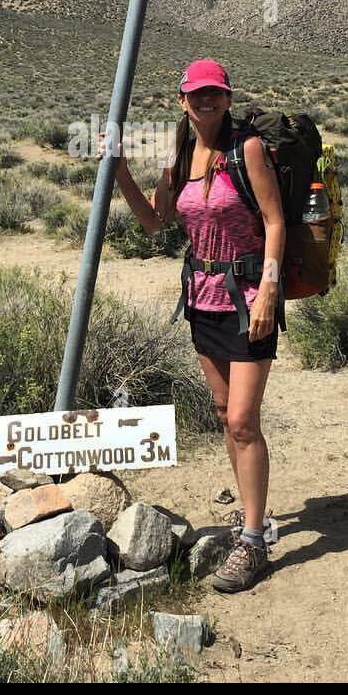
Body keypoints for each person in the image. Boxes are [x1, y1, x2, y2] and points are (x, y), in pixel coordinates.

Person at [100, 59, 285, 593]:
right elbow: (154, 221)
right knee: (226, 413)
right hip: (202, 296)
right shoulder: (181, 156)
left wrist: (270, 289)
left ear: (226, 99)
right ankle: (249, 519)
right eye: (197, 95)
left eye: (216, 95)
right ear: (182, 101)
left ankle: (253, 542)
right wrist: (119, 173)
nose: (206, 102)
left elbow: (274, 221)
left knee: (245, 420)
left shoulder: (246, 149)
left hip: (249, 295)